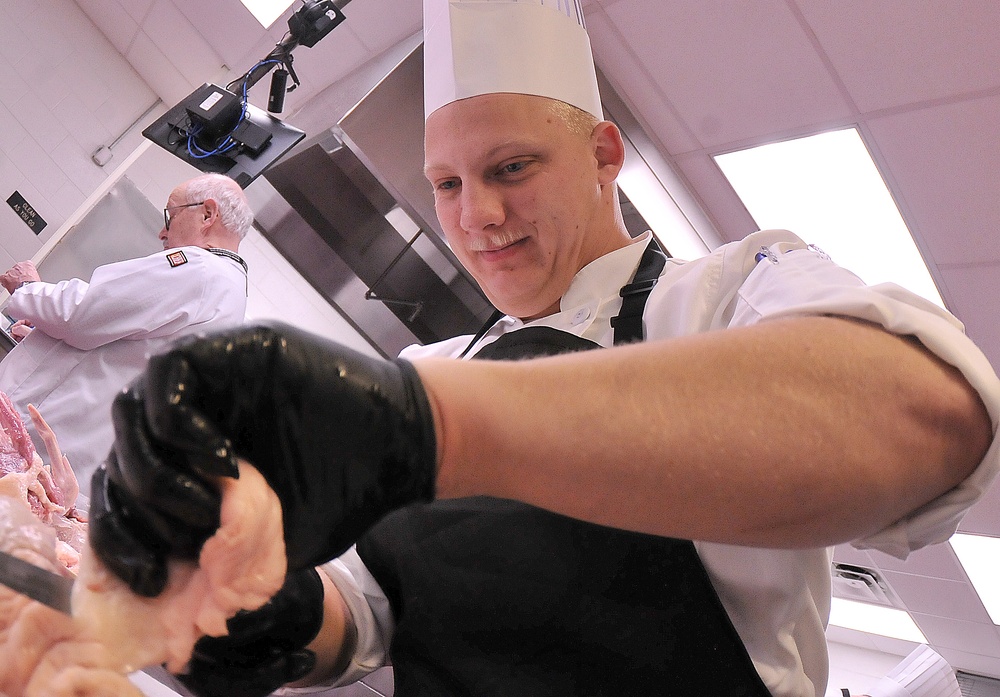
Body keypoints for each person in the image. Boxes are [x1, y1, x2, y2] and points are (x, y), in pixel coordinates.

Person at [88, 2, 1000, 696]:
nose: (474, 217)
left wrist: (437, 432)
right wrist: (263, 612)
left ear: (604, 154)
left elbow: (929, 414)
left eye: (511, 168)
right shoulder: (431, 370)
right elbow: (362, 617)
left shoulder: (730, 293)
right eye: (446, 183)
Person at [0, 172, 251, 504]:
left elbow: (81, 315)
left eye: (171, 216)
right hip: (72, 458)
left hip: (32, 441)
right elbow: (126, 352)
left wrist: (29, 288)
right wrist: (45, 339)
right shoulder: (231, 295)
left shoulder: (200, 271)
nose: (163, 232)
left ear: (207, 214)